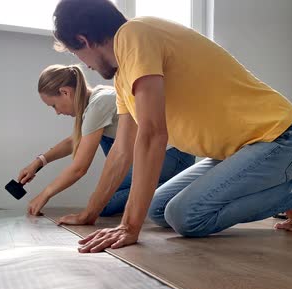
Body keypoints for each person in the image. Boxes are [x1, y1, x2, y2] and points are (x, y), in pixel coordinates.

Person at [52, 0, 292, 252]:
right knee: (158, 209)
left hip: (282, 137)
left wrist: (129, 226)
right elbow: (122, 152)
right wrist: (91, 213)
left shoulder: (133, 34)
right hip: (238, 151)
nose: (83, 65)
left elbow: (153, 133)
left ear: (82, 39)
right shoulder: (123, 76)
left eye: (77, 53)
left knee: (185, 217)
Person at [19, 64, 194, 217]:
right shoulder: (97, 99)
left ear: (65, 92)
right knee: (105, 196)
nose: (56, 112)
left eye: (54, 105)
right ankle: (167, 184)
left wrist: (44, 195)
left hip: (172, 156)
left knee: (103, 204)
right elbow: (74, 141)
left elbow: (79, 168)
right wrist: (39, 162)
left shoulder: (99, 104)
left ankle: (177, 183)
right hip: (168, 155)